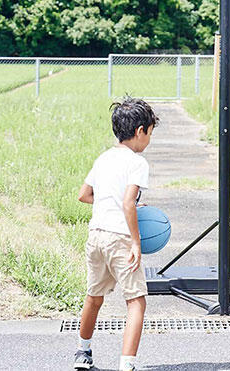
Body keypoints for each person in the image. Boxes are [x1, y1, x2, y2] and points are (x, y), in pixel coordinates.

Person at [74, 98, 159, 371]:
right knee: (136, 301)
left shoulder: (104, 158)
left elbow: (84, 195)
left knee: (94, 297)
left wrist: (115, 202)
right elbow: (127, 203)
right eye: (149, 134)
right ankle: (127, 365)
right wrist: (135, 241)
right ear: (140, 131)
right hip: (119, 238)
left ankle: (82, 353)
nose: (148, 140)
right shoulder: (137, 162)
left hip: (96, 235)